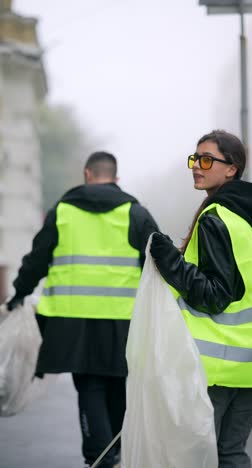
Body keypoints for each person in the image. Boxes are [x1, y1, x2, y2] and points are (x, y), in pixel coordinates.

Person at [7, 151, 159, 468]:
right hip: (121, 319)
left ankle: (99, 456)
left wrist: (19, 294)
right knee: (118, 381)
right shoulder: (135, 212)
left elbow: (36, 259)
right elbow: (157, 261)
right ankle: (109, 453)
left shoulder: (62, 211)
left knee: (89, 384)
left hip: (70, 319)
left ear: (87, 174)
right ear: (115, 178)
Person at [150, 130, 252, 468]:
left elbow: (215, 295)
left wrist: (169, 261)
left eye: (206, 160)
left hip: (214, 366)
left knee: (199, 456)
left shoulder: (217, 217)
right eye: (194, 159)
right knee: (232, 453)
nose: (196, 167)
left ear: (231, 168)